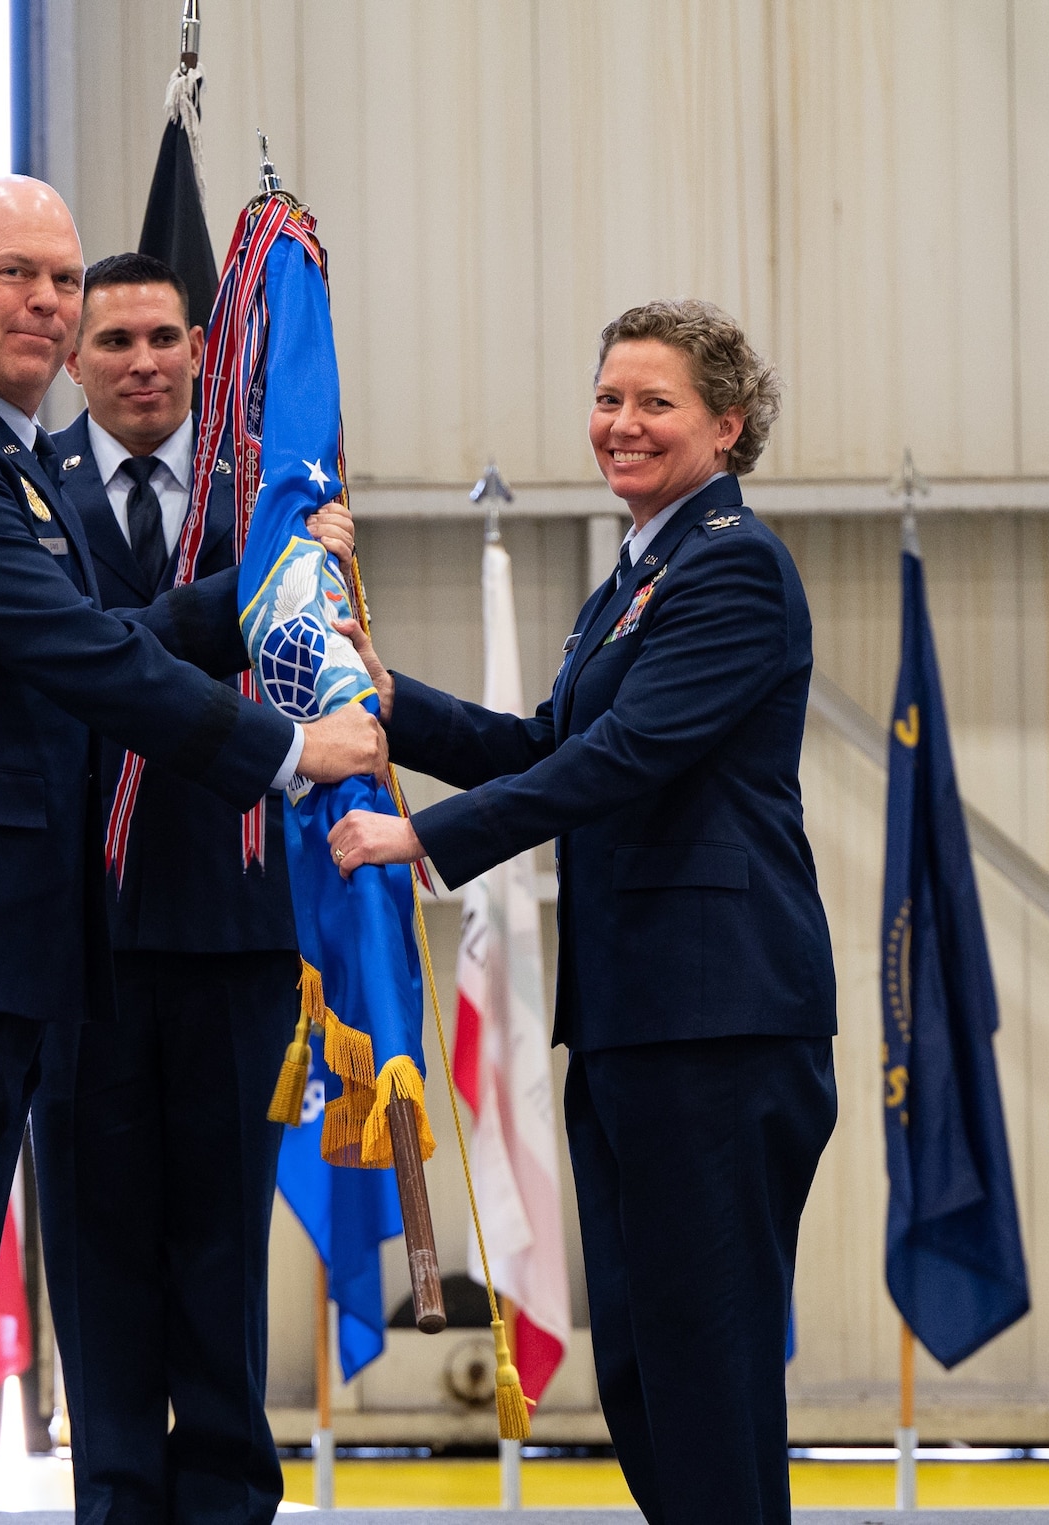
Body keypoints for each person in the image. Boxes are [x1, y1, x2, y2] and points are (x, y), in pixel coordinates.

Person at [0, 177, 384, 1525]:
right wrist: (289, 754)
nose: (47, 301)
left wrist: (269, 575)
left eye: (61, 277)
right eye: (17, 276)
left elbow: (113, 638)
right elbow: (86, 655)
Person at [330, 300, 837, 1525]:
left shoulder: (730, 567)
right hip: (636, 1023)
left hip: (716, 1024)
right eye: (608, 398)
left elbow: (622, 758)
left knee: (703, 1375)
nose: (620, 424)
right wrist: (392, 702)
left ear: (727, 424)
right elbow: (542, 742)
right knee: (644, 1374)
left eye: (653, 402)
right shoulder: (643, 570)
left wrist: (421, 838)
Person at [33, 251, 352, 1523]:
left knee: (223, 1251)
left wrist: (306, 562)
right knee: (96, 1252)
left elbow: (317, 664)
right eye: (112, 342)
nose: (144, 362)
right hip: (78, 941)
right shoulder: (21, 494)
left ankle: (225, 1497)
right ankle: (112, 1492)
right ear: (74, 362)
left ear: (205, 353)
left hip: (234, 934)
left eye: (167, 337)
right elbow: (77, 659)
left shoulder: (269, 496)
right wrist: (252, 586)